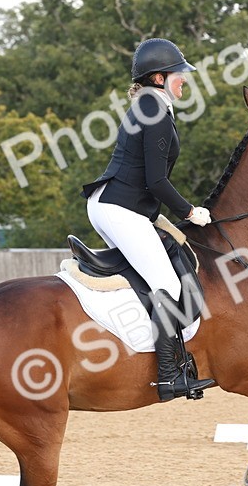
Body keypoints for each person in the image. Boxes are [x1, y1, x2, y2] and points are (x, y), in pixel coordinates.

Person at [81, 38, 215, 402]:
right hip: (120, 208)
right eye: (178, 75)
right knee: (168, 287)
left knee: (168, 258)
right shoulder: (153, 110)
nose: (184, 80)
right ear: (159, 77)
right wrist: (189, 212)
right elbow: (157, 181)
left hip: (120, 205)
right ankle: (170, 375)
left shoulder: (152, 105)